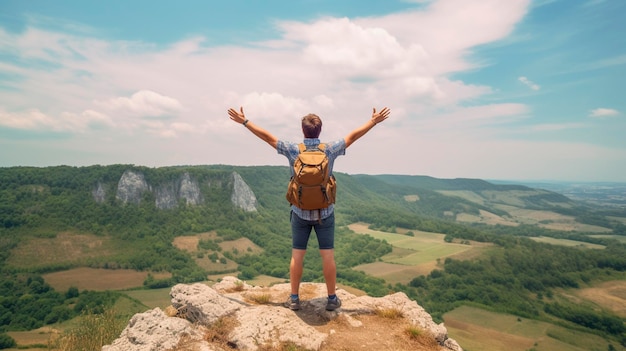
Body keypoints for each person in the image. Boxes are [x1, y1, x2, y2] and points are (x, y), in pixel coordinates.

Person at [227, 106, 390, 311]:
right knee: (327, 256)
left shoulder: (293, 149)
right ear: (319, 131)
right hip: (325, 213)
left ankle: (294, 299)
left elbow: (267, 137)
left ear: (303, 131)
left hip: (299, 213)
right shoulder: (329, 149)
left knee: (297, 255)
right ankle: (332, 299)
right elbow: (353, 136)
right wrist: (373, 121)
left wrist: (244, 121)